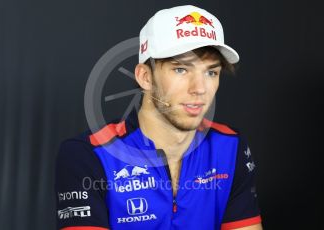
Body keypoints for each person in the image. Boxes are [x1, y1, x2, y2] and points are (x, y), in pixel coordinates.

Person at [55, 5, 262, 230]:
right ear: (145, 77)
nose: (200, 88)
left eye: (211, 72)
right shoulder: (89, 154)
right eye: (181, 69)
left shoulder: (230, 147)